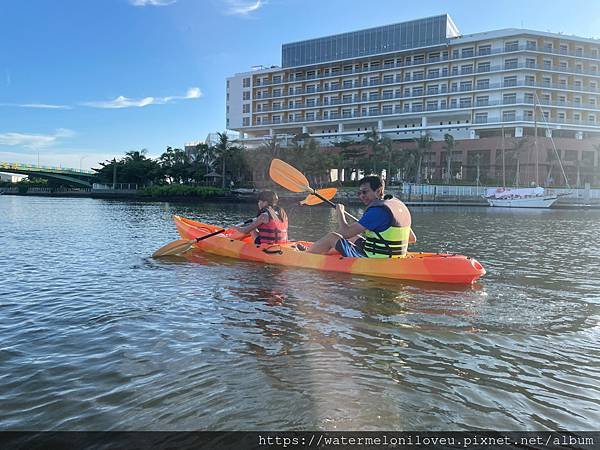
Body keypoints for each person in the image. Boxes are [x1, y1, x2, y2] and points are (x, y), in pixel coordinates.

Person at [307, 175, 416, 258]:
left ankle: (305, 255)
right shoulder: (397, 205)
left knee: (332, 237)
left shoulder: (377, 211)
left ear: (378, 191)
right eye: (359, 193)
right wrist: (376, 234)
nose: (362, 196)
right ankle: (322, 252)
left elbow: (344, 232)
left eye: (365, 192)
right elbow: (412, 239)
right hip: (395, 256)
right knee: (353, 237)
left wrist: (340, 212)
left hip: (376, 259)